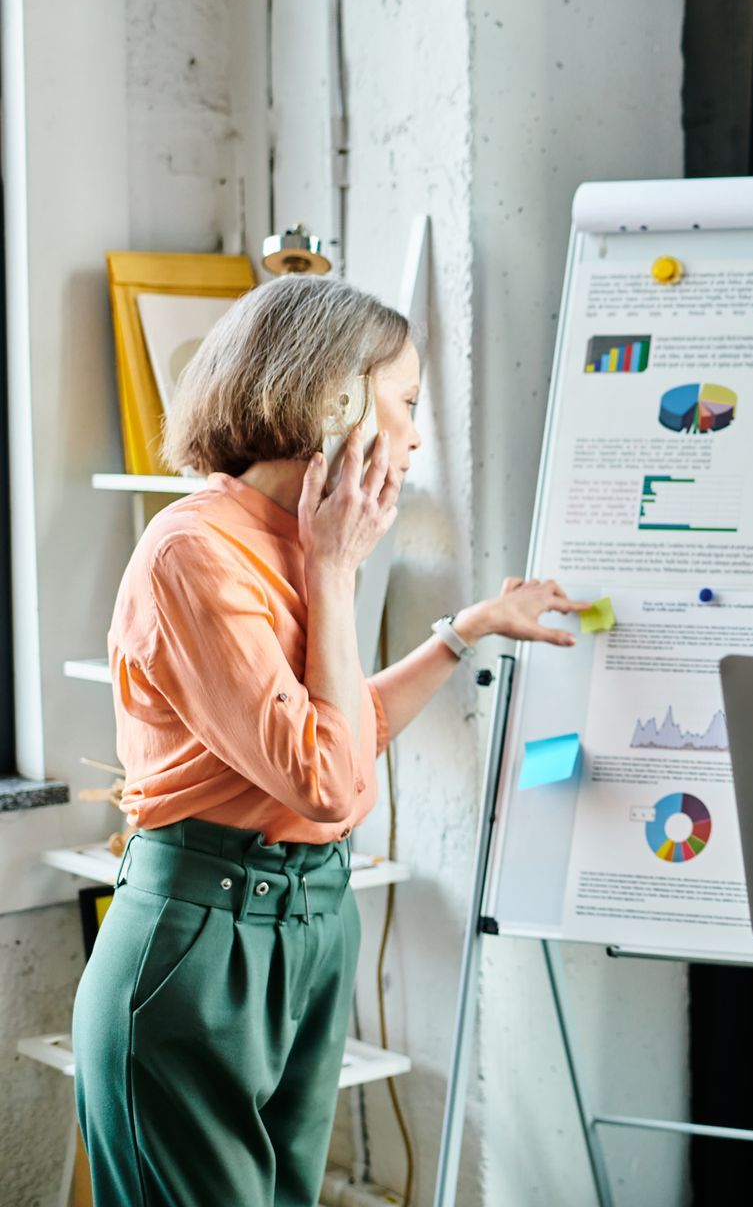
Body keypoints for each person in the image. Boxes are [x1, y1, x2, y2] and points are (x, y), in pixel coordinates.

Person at [71, 275, 589, 1205]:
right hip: (202, 939)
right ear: (334, 398)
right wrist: (336, 572)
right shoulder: (195, 552)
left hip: (309, 926)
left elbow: (337, 736)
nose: (418, 435)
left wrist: (467, 628)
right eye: (407, 404)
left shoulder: (304, 537)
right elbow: (327, 780)